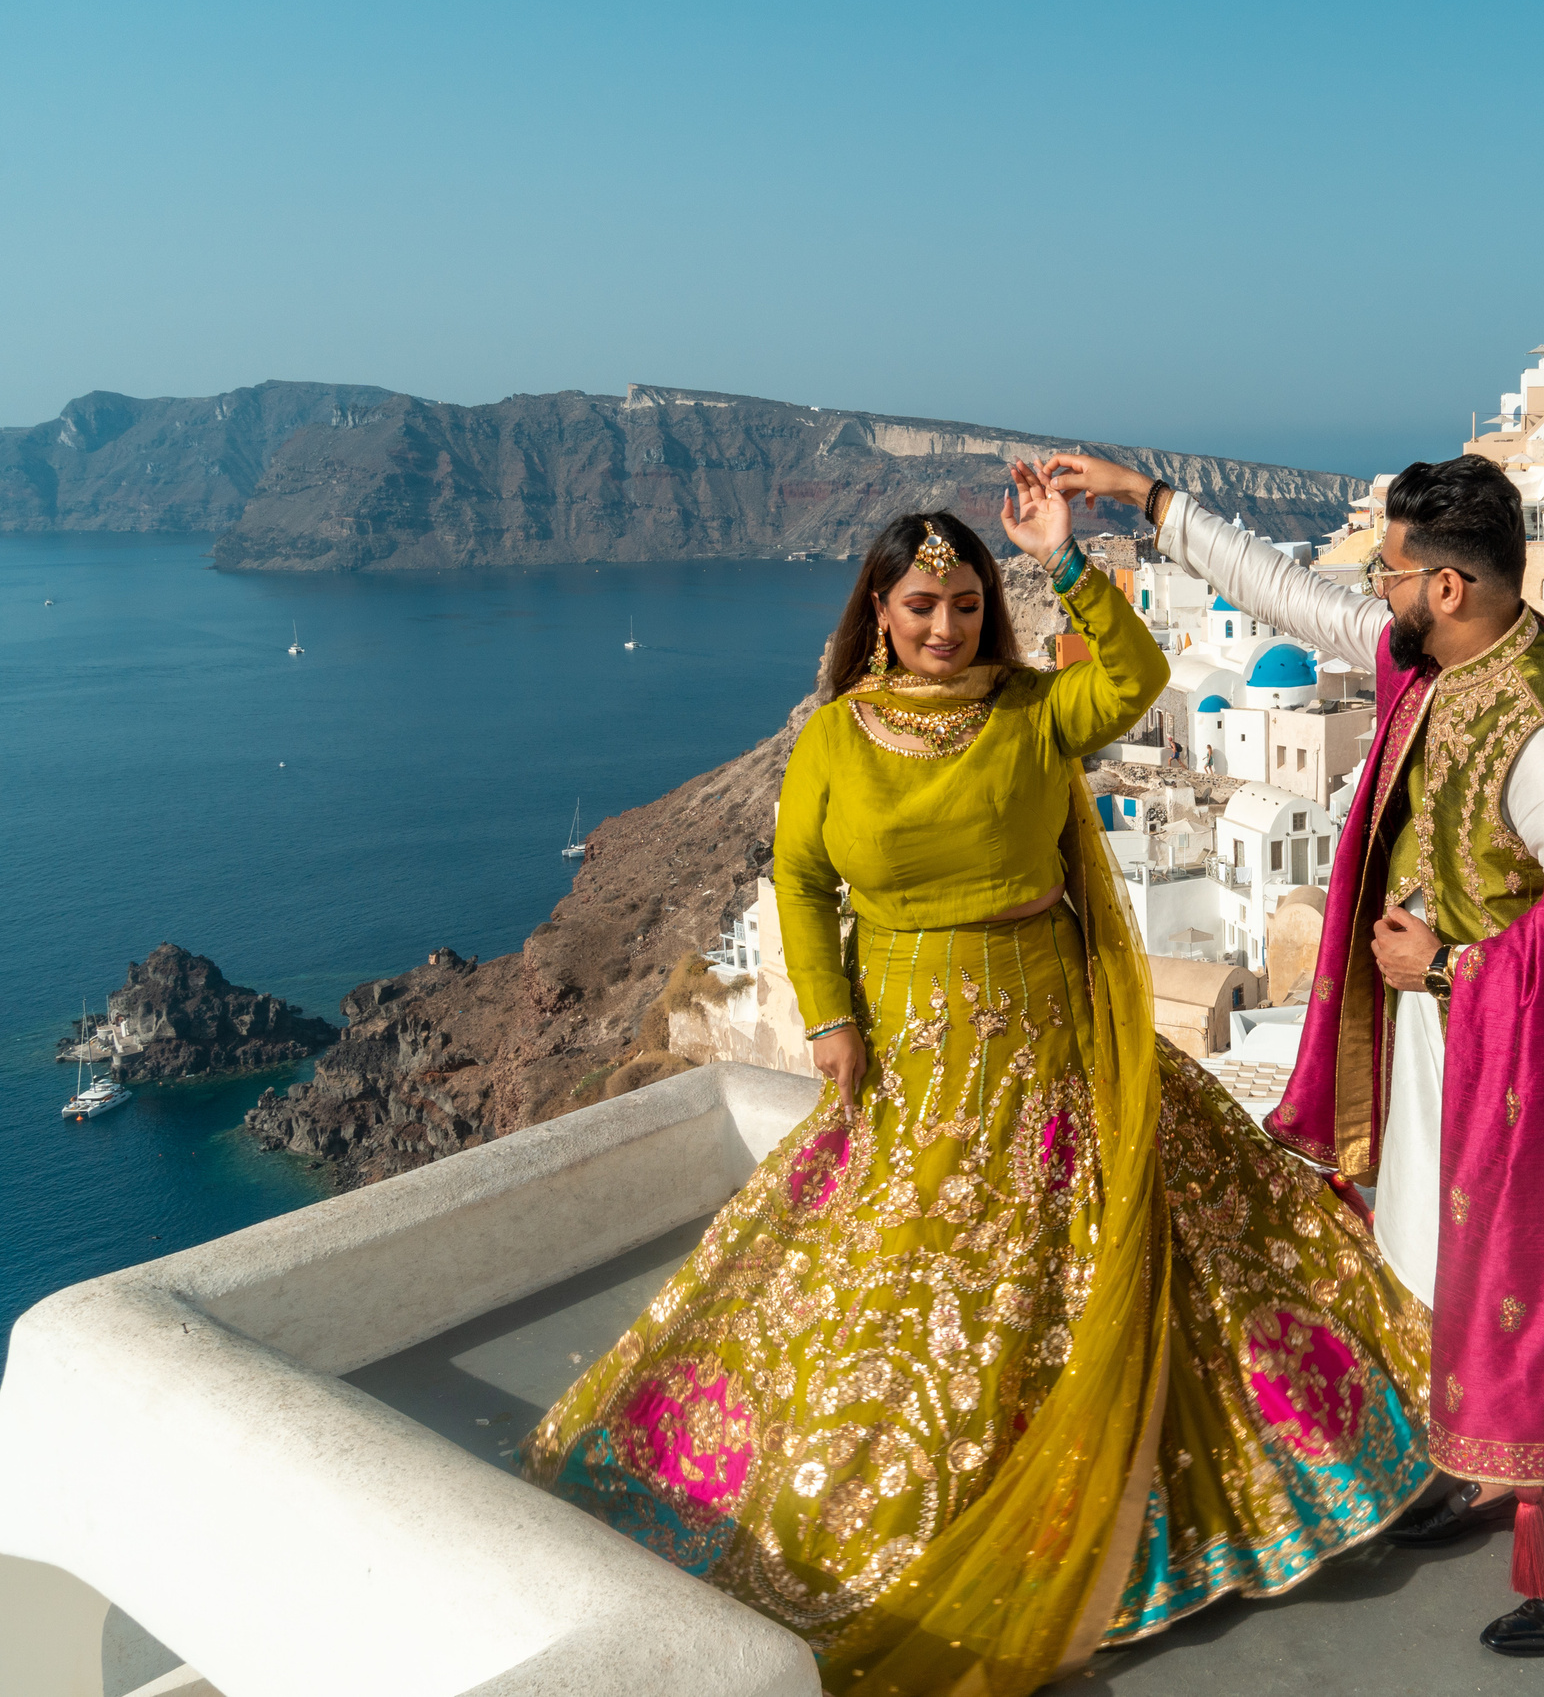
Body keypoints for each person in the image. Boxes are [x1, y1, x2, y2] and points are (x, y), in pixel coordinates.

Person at [521, 463, 1432, 1697]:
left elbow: (1134, 679)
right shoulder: (834, 737)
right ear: (878, 613)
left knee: (1102, 1248)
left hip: (1052, 1023)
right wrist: (829, 1018)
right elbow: (801, 883)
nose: (943, 628)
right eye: (919, 607)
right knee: (909, 1270)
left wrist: (1064, 556)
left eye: (962, 607)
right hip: (908, 1034)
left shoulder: (1032, 709)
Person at [1042, 451, 1544, 1656]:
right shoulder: (1435, 662)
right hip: (1449, 1047)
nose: (1375, 591)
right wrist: (1149, 501)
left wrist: (1451, 967)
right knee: (1443, 1276)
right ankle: (1486, 1468)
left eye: (1390, 573)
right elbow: (1293, 598)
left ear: (1446, 588)